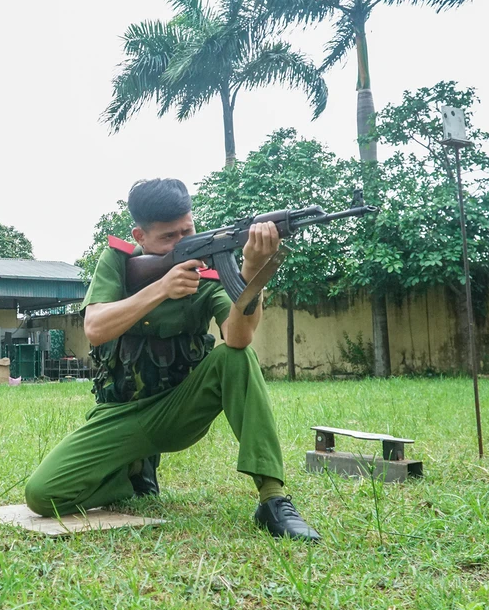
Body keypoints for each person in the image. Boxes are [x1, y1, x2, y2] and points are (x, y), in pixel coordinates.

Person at [25, 178, 320, 541]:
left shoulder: (209, 269)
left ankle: (272, 500)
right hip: (119, 414)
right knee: (43, 495)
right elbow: (95, 328)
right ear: (140, 236)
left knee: (236, 358)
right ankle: (132, 477)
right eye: (168, 237)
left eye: (187, 231)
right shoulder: (118, 261)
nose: (181, 242)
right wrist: (161, 288)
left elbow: (238, 337)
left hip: (180, 409)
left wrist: (252, 274)